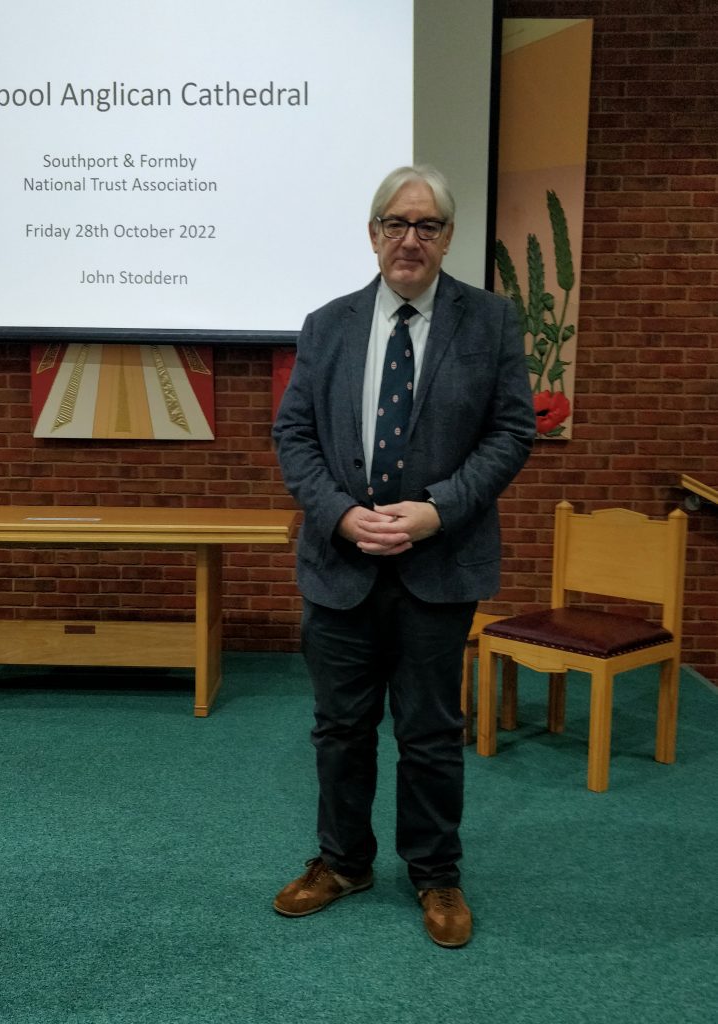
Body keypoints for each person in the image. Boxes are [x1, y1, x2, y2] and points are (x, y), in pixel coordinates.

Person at [271, 164, 535, 947]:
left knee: (429, 733)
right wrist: (341, 515)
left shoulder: (490, 322)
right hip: (340, 566)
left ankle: (435, 872)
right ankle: (342, 862)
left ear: (448, 237)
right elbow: (294, 435)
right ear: (373, 233)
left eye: (426, 225)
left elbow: (512, 432)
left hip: (439, 565)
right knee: (340, 729)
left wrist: (436, 511)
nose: (409, 239)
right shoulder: (328, 324)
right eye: (396, 223)